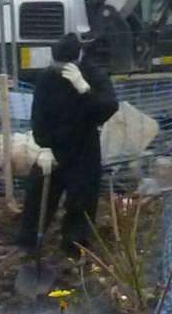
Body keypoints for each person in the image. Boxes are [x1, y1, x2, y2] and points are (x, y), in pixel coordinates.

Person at [16, 33, 120, 256]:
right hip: (53, 148)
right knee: (37, 194)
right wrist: (43, 146)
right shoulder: (47, 79)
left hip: (84, 148)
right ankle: (28, 244)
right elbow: (39, 114)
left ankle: (74, 248)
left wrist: (84, 89)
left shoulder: (92, 74)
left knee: (81, 200)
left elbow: (109, 106)